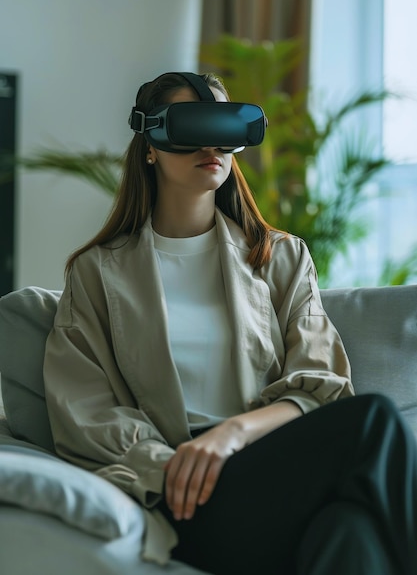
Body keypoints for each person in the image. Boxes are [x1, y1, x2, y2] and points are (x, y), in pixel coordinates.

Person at [43, 71, 417, 575]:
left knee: (350, 529)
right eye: (192, 128)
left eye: (226, 128)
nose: (212, 145)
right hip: (184, 498)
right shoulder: (96, 274)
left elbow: (322, 385)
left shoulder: (280, 258)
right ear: (150, 144)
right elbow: (85, 414)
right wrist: (178, 464)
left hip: (272, 468)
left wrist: (232, 434)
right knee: (375, 420)